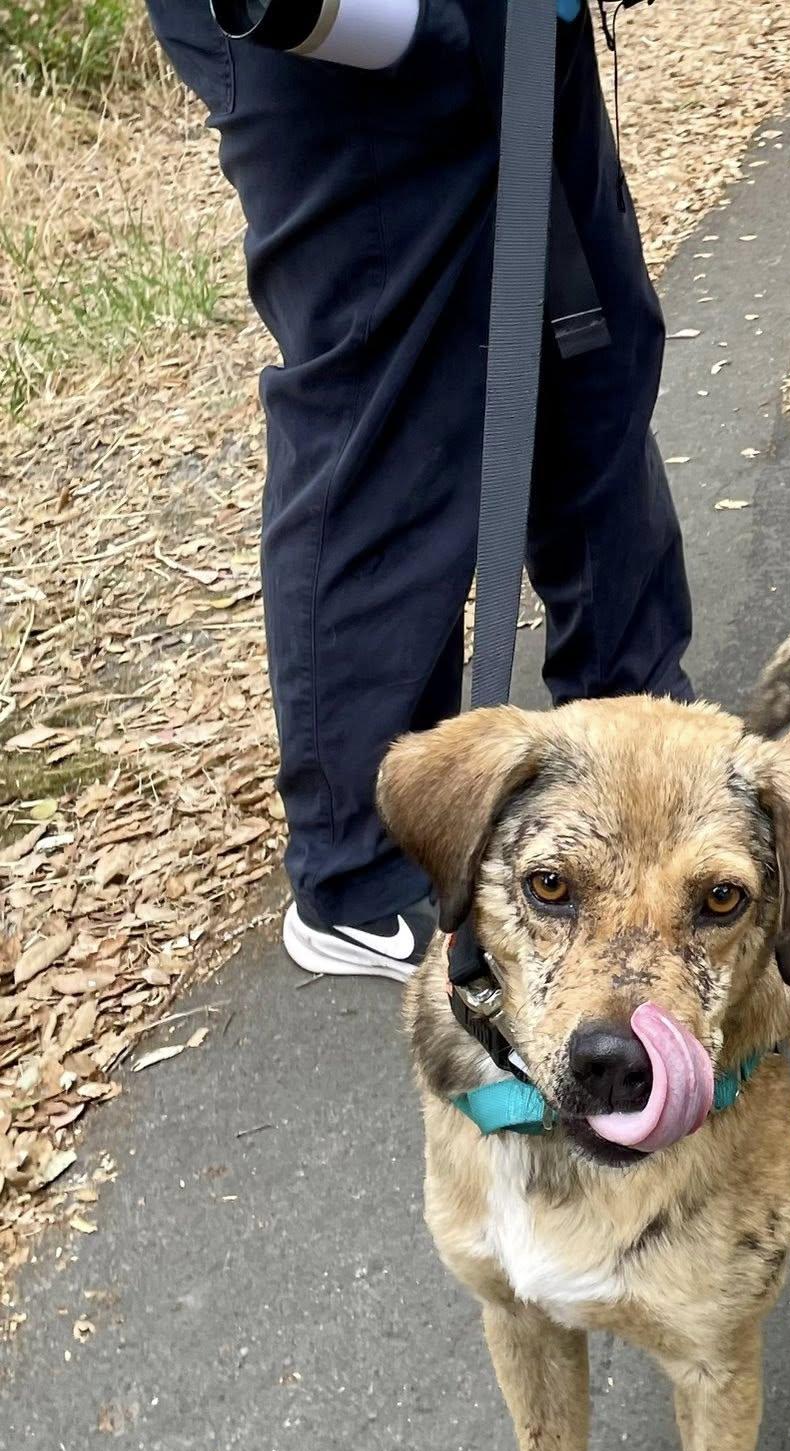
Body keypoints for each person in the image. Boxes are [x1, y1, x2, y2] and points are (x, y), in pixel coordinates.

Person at [146, 0, 692, 981]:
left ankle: (634, 726)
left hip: (518, 30)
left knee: (589, 349)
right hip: (344, 47)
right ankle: (362, 870)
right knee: (386, 432)